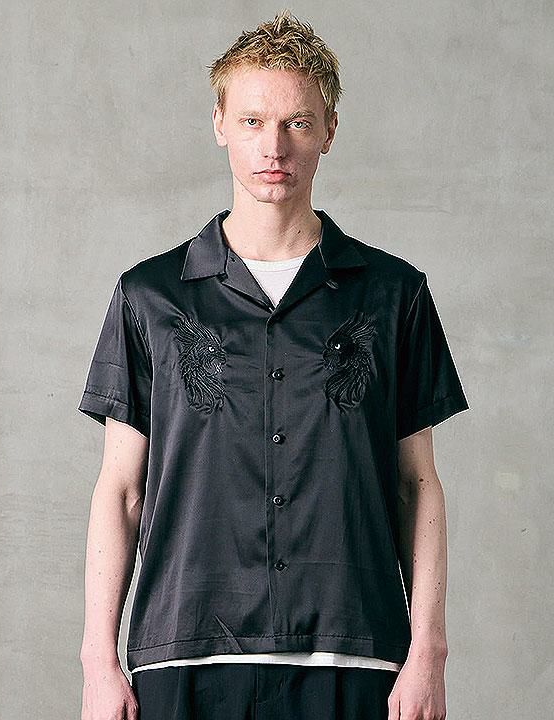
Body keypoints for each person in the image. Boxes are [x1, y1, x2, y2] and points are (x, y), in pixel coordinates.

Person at [78, 9, 469, 720]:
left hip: (356, 653)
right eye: (253, 121)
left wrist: (428, 651)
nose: (274, 146)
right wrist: (97, 660)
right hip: (186, 654)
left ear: (329, 131)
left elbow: (417, 485)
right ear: (220, 124)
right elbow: (122, 490)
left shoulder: (394, 295)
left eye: (297, 122)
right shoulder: (149, 297)